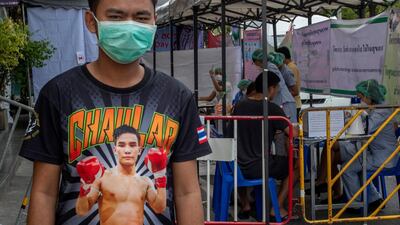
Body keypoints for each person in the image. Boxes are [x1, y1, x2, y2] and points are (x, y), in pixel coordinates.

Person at [19, 0, 211, 224]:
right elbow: (45, 192)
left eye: (141, 18)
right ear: (92, 21)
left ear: (154, 22)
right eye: (116, 17)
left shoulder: (177, 97)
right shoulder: (59, 94)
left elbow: (187, 193)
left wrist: (158, 177)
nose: (129, 27)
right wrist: (87, 185)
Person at [312, 79, 397, 212]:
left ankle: (356, 204)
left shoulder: (382, 110)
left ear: (369, 96)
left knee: (348, 169)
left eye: (360, 97)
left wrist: (357, 115)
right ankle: (373, 199)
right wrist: (356, 116)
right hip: (374, 151)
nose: (359, 100)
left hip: (384, 157)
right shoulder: (378, 107)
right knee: (346, 160)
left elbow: (364, 130)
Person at [232, 71, 298, 221]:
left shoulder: (240, 105)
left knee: (241, 157)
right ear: (271, 88)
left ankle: (245, 204)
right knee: (295, 166)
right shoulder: (272, 109)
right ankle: (277, 207)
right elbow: (292, 132)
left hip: (237, 166)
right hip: (259, 166)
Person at [76, 125, 167, 225]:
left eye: (132, 145)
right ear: (115, 150)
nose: (127, 150)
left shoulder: (145, 182)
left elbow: (159, 208)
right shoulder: (102, 178)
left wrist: (160, 176)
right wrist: (84, 188)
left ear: (139, 150)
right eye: (122, 145)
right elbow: (82, 211)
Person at [252, 49, 297, 123]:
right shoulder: (267, 68)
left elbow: (276, 85)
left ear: (257, 61)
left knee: (289, 126)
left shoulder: (270, 67)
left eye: (254, 63)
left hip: (284, 101)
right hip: (280, 101)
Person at [276, 47, 302, 117]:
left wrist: (281, 95)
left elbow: (295, 90)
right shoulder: (289, 66)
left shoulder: (290, 68)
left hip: (293, 103)